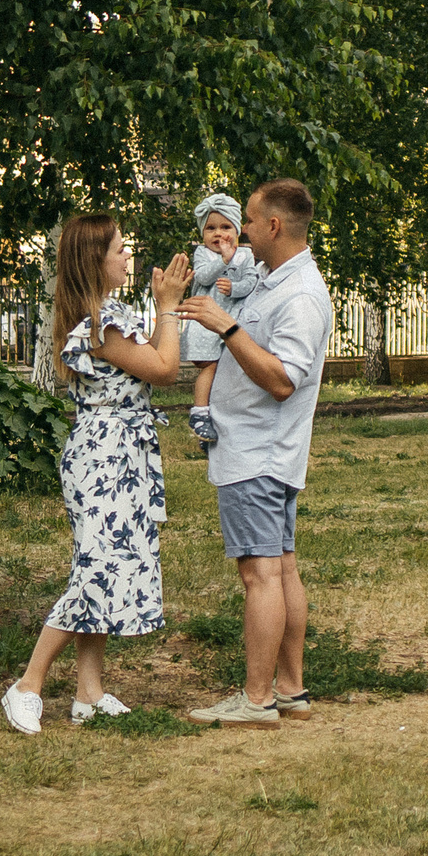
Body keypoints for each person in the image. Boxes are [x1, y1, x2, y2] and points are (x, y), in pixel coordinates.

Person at [1, 215, 190, 736]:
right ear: (95, 260)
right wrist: (168, 308)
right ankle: (28, 684)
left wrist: (161, 310)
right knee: (97, 571)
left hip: (118, 451)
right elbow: (165, 369)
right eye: (121, 250)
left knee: (104, 566)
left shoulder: (111, 314)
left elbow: (150, 356)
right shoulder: (100, 322)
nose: (129, 257)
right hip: (105, 455)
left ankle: (89, 692)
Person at [177, 178, 333, 729]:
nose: (240, 229)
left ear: (273, 226)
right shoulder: (270, 278)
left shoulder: (302, 296)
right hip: (260, 451)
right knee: (282, 569)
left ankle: (258, 699)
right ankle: (289, 690)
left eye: (247, 219)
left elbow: (283, 380)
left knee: (260, 576)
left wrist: (227, 326)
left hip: (259, 453)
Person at [181, 192, 263, 452]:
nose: (219, 234)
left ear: (238, 231)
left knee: (228, 374)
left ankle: (214, 426)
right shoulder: (203, 254)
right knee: (211, 368)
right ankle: (200, 412)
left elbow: (251, 281)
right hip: (206, 326)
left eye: (226, 227)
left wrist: (236, 288)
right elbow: (203, 277)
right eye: (211, 228)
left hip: (231, 324)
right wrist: (223, 261)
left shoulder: (246, 256)